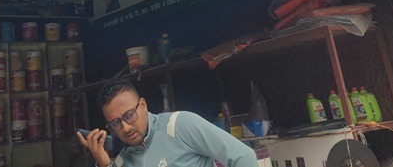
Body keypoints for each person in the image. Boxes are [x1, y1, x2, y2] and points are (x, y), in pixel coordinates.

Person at [77, 79, 258, 167]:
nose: (125, 127)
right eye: (115, 123)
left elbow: (244, 157)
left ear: (143, 105)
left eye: (129, 115)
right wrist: (103, 162)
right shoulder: (124, 160)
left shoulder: (180, 125)